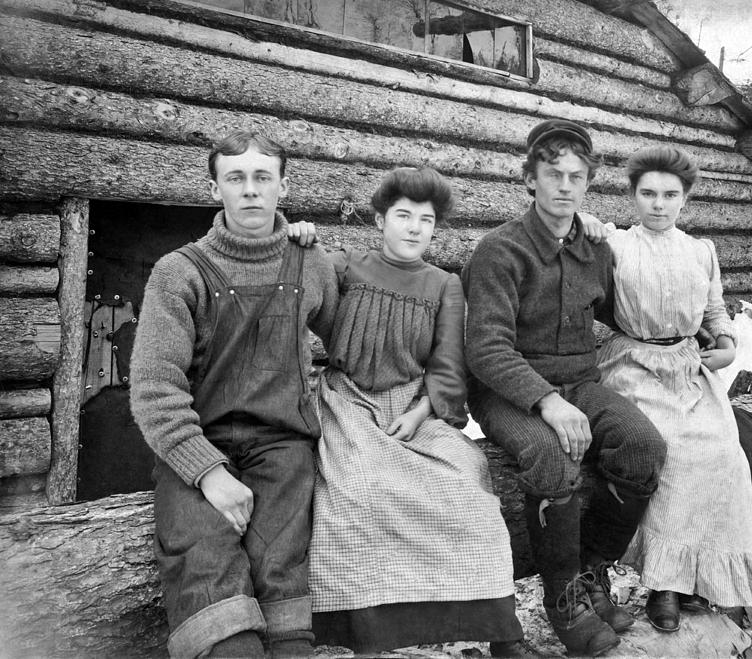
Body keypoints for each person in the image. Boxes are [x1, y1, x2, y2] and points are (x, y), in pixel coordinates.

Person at [292, 167, 527, 656]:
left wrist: (422, 413)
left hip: (414, 404)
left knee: (467, 482)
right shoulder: (345, 267)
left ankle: (501, 632)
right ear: (380, 220)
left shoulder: (444, 285)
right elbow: (303, 280)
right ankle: (370, 634)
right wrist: (297, 236)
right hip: (348, 399)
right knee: (356, 488)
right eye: (403, 216)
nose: (414, 227)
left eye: (425, 219)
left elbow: (447, 364)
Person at [461, 120, 668, 657]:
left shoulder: (593, 249)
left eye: (577, 177)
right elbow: (485, 349)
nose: (565, 187)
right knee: (553, 456)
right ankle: (562, 597)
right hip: (507, 392)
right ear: (529, 179)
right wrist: (547, 403)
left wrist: (704, 330)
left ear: (588, 184)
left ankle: (592, 571)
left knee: (644, 445)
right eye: (553, 174)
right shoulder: (499, 251)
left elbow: (625, 313)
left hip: (580, 382)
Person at [130, 130, 338, 658]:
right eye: (236, 178)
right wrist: (209, 473)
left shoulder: (310, 263)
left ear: (282, 186)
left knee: (282, 569)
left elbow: (355, 341)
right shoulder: (179, 272)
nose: (250, 190)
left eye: (262, 178)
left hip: (283, 447)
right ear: (215, 188)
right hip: (199, 447)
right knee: (204, 564)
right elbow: (155, 388)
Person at [593, 145, 752, 632]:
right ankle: (663, 584)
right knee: (671, 448)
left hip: (688, 366)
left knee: (724, 450)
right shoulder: (615, 245)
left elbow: (714, 312)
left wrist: (727, 344)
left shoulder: (700, 251)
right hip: (633, 362)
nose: (658, 204)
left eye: (670, 194)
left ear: (685, 198)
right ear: (632, 196)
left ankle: (696, 577)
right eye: (647, 193)